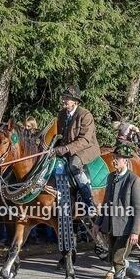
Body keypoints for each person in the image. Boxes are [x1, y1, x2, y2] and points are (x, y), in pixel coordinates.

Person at [97, 142, 140, 279]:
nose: (114, 161)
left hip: (126, 229)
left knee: (118, 259)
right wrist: (97, 224)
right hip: (111, 226)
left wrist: (135, 232)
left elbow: (139, 209)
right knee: (113, 259)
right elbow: (105, 202)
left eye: (118, 159)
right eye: (114, 158)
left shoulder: (134, 181)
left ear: (126, 161)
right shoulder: (111, 177)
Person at [53, 86, 100, 214]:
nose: (64, 100)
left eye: (67, 98)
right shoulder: (61, 114)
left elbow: (85, 139)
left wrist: (66, 148)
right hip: (67, 148)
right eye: (64, 97)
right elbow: (59, 135)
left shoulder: (85, 115)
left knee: (74, 165)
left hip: (86, 148)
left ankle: (89, 201)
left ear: (76, 101)